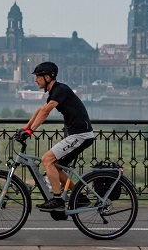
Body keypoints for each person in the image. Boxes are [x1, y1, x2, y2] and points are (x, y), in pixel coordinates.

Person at [14, 61, 95, 212]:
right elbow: (41, 110)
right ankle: (80, 197)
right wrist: (26, 128)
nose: (36, 80)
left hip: (81, 135)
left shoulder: (60, 89)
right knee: (56, 166)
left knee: (47, 160)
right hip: (77, 134)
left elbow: (46, 111)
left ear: (48, 77)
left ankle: (57, 200)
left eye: (38, 76)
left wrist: (31, 131)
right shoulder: (55, 91)